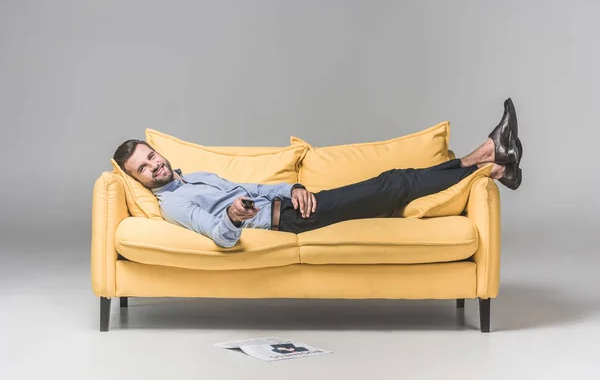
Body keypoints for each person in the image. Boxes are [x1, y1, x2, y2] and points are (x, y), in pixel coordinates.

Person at [113, 99, 522, 248]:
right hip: (289, 222)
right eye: (144, 169)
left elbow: (253, 186)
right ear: (138, 178)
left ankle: (496, 164)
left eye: (152, 156)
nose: (154, 165)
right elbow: (217, 234)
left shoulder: (192, 176)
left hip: (292, 204)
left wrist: (292, 186)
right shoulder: (174, 203)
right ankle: (488, 157)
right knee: (394, 183)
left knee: (395, 185)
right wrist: (233, 218)